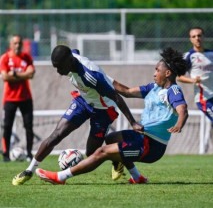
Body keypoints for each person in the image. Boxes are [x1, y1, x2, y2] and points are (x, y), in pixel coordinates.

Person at [34, 47, 189, 185]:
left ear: (167, 73)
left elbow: (183, 109)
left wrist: (179, 124)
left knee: (103, 152)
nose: (154, 73)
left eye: (157, 70)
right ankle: (136, 177)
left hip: (152, 147)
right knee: (111, 138)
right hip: (142, 137)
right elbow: (126, 92)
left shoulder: (173, 91)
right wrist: (102, 78)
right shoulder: (153, 88)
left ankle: (60, 177)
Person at [12, 45, 143, 185]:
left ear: (69, 61)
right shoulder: (71, 58)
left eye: (59, 67)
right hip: (83, 101)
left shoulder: (91, 76)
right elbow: (75, 51)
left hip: (103, 109)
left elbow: (116, 98)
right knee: (57, 134)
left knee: (91, 153)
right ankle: (29, 170)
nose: (58, 71)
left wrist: (132, 122)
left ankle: (117, 160)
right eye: (55, 67)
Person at [177, 27, 213, 151]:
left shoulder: (212, 54)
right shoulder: (189, 56)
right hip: (204, 98)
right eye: (194, 36)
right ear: (190, 39)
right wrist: (192, 80)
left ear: (203, 37)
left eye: (199, 35)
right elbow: (179, 76)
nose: (197, 38)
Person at [0, 34, 35, 162]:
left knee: (29, 127)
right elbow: (5, 77)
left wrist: (14, 74)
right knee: (7, 126)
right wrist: (23, 75)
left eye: (19, 43)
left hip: (25, 98)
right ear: (10, 45)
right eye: (15, 43)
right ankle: (5, 154)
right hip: (10, 98)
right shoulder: (5, 58)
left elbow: (31, 74)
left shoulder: (27, 57)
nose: (18, 45)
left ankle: (30, 154)